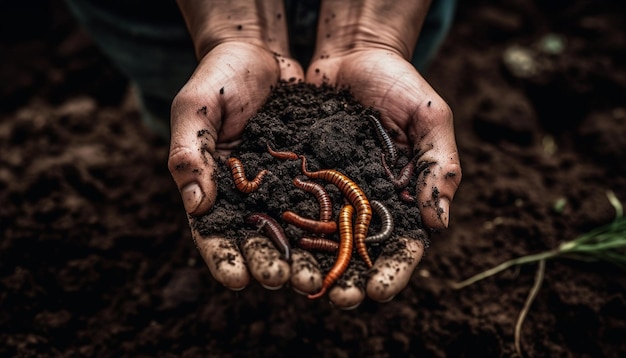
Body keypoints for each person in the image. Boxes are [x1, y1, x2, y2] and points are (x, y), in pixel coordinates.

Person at [66, 0, 462, 309]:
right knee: (182, 98)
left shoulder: (341, 202)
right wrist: (234, 32)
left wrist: (373, 36)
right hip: (168, 16)